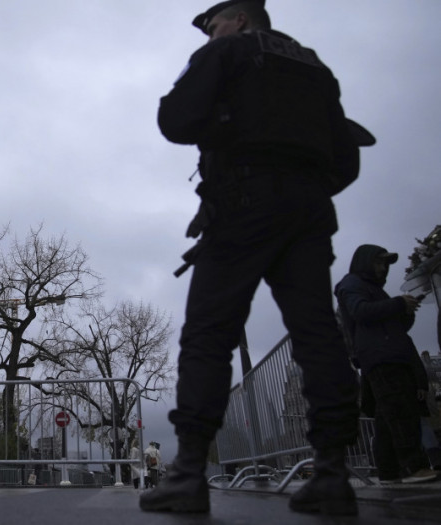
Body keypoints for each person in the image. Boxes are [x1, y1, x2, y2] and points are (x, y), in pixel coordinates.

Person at [143, 0, 366, 516]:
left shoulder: (229, 52)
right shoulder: (313, 64)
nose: (209, 36)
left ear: (240, 18)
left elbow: (176, 120)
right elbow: (346, 157)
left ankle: (191, 472)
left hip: (242, 205)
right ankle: (333, 471)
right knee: (317, 333)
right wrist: (305, 185)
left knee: (208, 334)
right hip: (310, 212)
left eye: (213, 24)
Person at [335, 244, 437, 484]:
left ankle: (389, 472)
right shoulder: (352, 284)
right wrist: (399, 304)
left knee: (386, 418)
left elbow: (393, 327)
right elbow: (360, 312)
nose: (383, 268)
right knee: (402, 413)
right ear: (365, 262)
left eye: (385, 264)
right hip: (382, 357)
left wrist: (406, 311)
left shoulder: (368, 287)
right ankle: (413, 467)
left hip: (384, 353)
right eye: (379, 262)